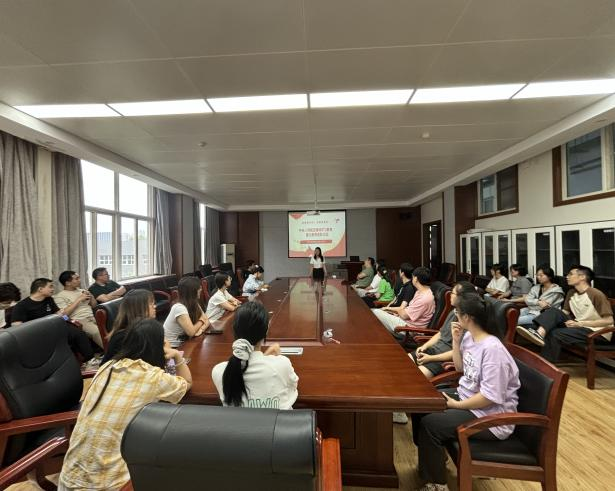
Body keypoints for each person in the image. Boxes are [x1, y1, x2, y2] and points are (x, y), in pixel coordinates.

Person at [58, 319, 191, 491]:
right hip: (110, 485)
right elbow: (187, 383)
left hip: (67, 481)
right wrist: (177, 356)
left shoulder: (108, 366)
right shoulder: (153, 377)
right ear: (157, 347)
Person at [413, 294, 520, 491]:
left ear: (468, 317)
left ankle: (437, 485)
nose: (455, 315)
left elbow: (490, 397)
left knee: (431, 424)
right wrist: (456, 341)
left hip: (491, 416)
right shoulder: (470, 336)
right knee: (421, 404)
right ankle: (434, 460)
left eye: (457, 312)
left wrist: (456, 405)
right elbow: (460, 367)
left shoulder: (493, 349)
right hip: (469, 398)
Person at [516, 265, 614, 362]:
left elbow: (609, 321)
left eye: (571, 274)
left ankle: (545, 363)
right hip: (578, 325)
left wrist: (580, 324)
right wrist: (551, 321)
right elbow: (563, 313)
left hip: (597, 331)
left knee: (555, 333)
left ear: (582, 277)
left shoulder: (596, 294)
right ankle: (539, 334)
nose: (567, 277)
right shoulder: (571, 293)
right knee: (552, 313)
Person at [212, 301, 299, 409]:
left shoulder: (219, 371)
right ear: (266, 331)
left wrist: (265, 356)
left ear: (234, 330)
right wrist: (269, 357)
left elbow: (249, 364)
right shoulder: (282, 364)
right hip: (278, 420)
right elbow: (292, 387)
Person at [11, 278, 94, 362]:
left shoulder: (49, 300)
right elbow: (16, 326)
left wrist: (69, 320)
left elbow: (60, 315)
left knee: (78, 333)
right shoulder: (21, 306)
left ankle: (90, 360)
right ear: (40, 289)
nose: (53, 289)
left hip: (55, 327)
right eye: (50, 287)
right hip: (37, 334)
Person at [409, 281, 477, 378]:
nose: (450, 295)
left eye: (453, 293)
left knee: (412, 377)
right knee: (402, 362)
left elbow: (458, 352)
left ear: (462, 297)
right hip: (433, 351)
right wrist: (425, 346)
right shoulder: (454, 311)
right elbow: (440, 333)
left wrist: (431, 358)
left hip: (444, 360)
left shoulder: (468, 321)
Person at [371, 267, 435, 338]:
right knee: (375, 312)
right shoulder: (421, 291)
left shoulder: (424, 298)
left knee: (375, 312)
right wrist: (395, 311)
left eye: (413, 277)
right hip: (406, 321)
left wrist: (396, 310)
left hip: (409, 329)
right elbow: (406, 311)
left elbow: (404, 315)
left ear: (416, 279)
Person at [102, 289, 156, 363]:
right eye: (151, 304)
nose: (155, 306)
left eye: (154, 303)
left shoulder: (146, 327)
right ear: (138, 309)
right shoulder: (125, 337)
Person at [54, 270, 102, 349]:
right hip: (79, 320)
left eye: (79, 278)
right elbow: (64, 315)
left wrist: (92, 297)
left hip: (92, 316)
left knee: (112, 326)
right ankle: (112, 353)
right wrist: (79, 299)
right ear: (68, 283)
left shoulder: (82, 291)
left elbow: (94, 306)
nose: (79, 280)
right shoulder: (60, 296)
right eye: (76, 279)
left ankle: (119, 348)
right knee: (97, 332)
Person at [164, 276, 209, 347]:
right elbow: (191, 332)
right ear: (192, 291)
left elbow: (207, 321)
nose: (201, 289)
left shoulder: (195, 303)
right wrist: (202, 320)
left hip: (186, 342)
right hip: (174, 347)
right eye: (199, 288)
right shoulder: (179, 308)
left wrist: (201, 330)